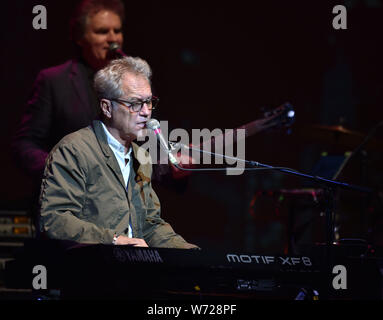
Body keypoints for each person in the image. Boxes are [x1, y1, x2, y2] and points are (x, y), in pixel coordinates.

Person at [12, 0, 187, 233]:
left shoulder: (134, 88)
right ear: (80, 37)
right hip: (71, 208)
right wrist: (63, 168)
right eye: (102, 31)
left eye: (117, 30)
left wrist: (174, 168)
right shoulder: (55, 81)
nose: (113, 38)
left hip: (119, 212)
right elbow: (24, 144)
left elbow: (146, 153)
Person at [39, 56, 197, 249]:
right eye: (135, 103)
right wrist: (114, 240)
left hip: (131, 270)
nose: (146, 112)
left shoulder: (142, 157)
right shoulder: (74, 150)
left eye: (149, 102)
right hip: (91, 270)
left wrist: (189, 253)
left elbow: (150, 225)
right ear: (107, 107)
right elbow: (55, 220)